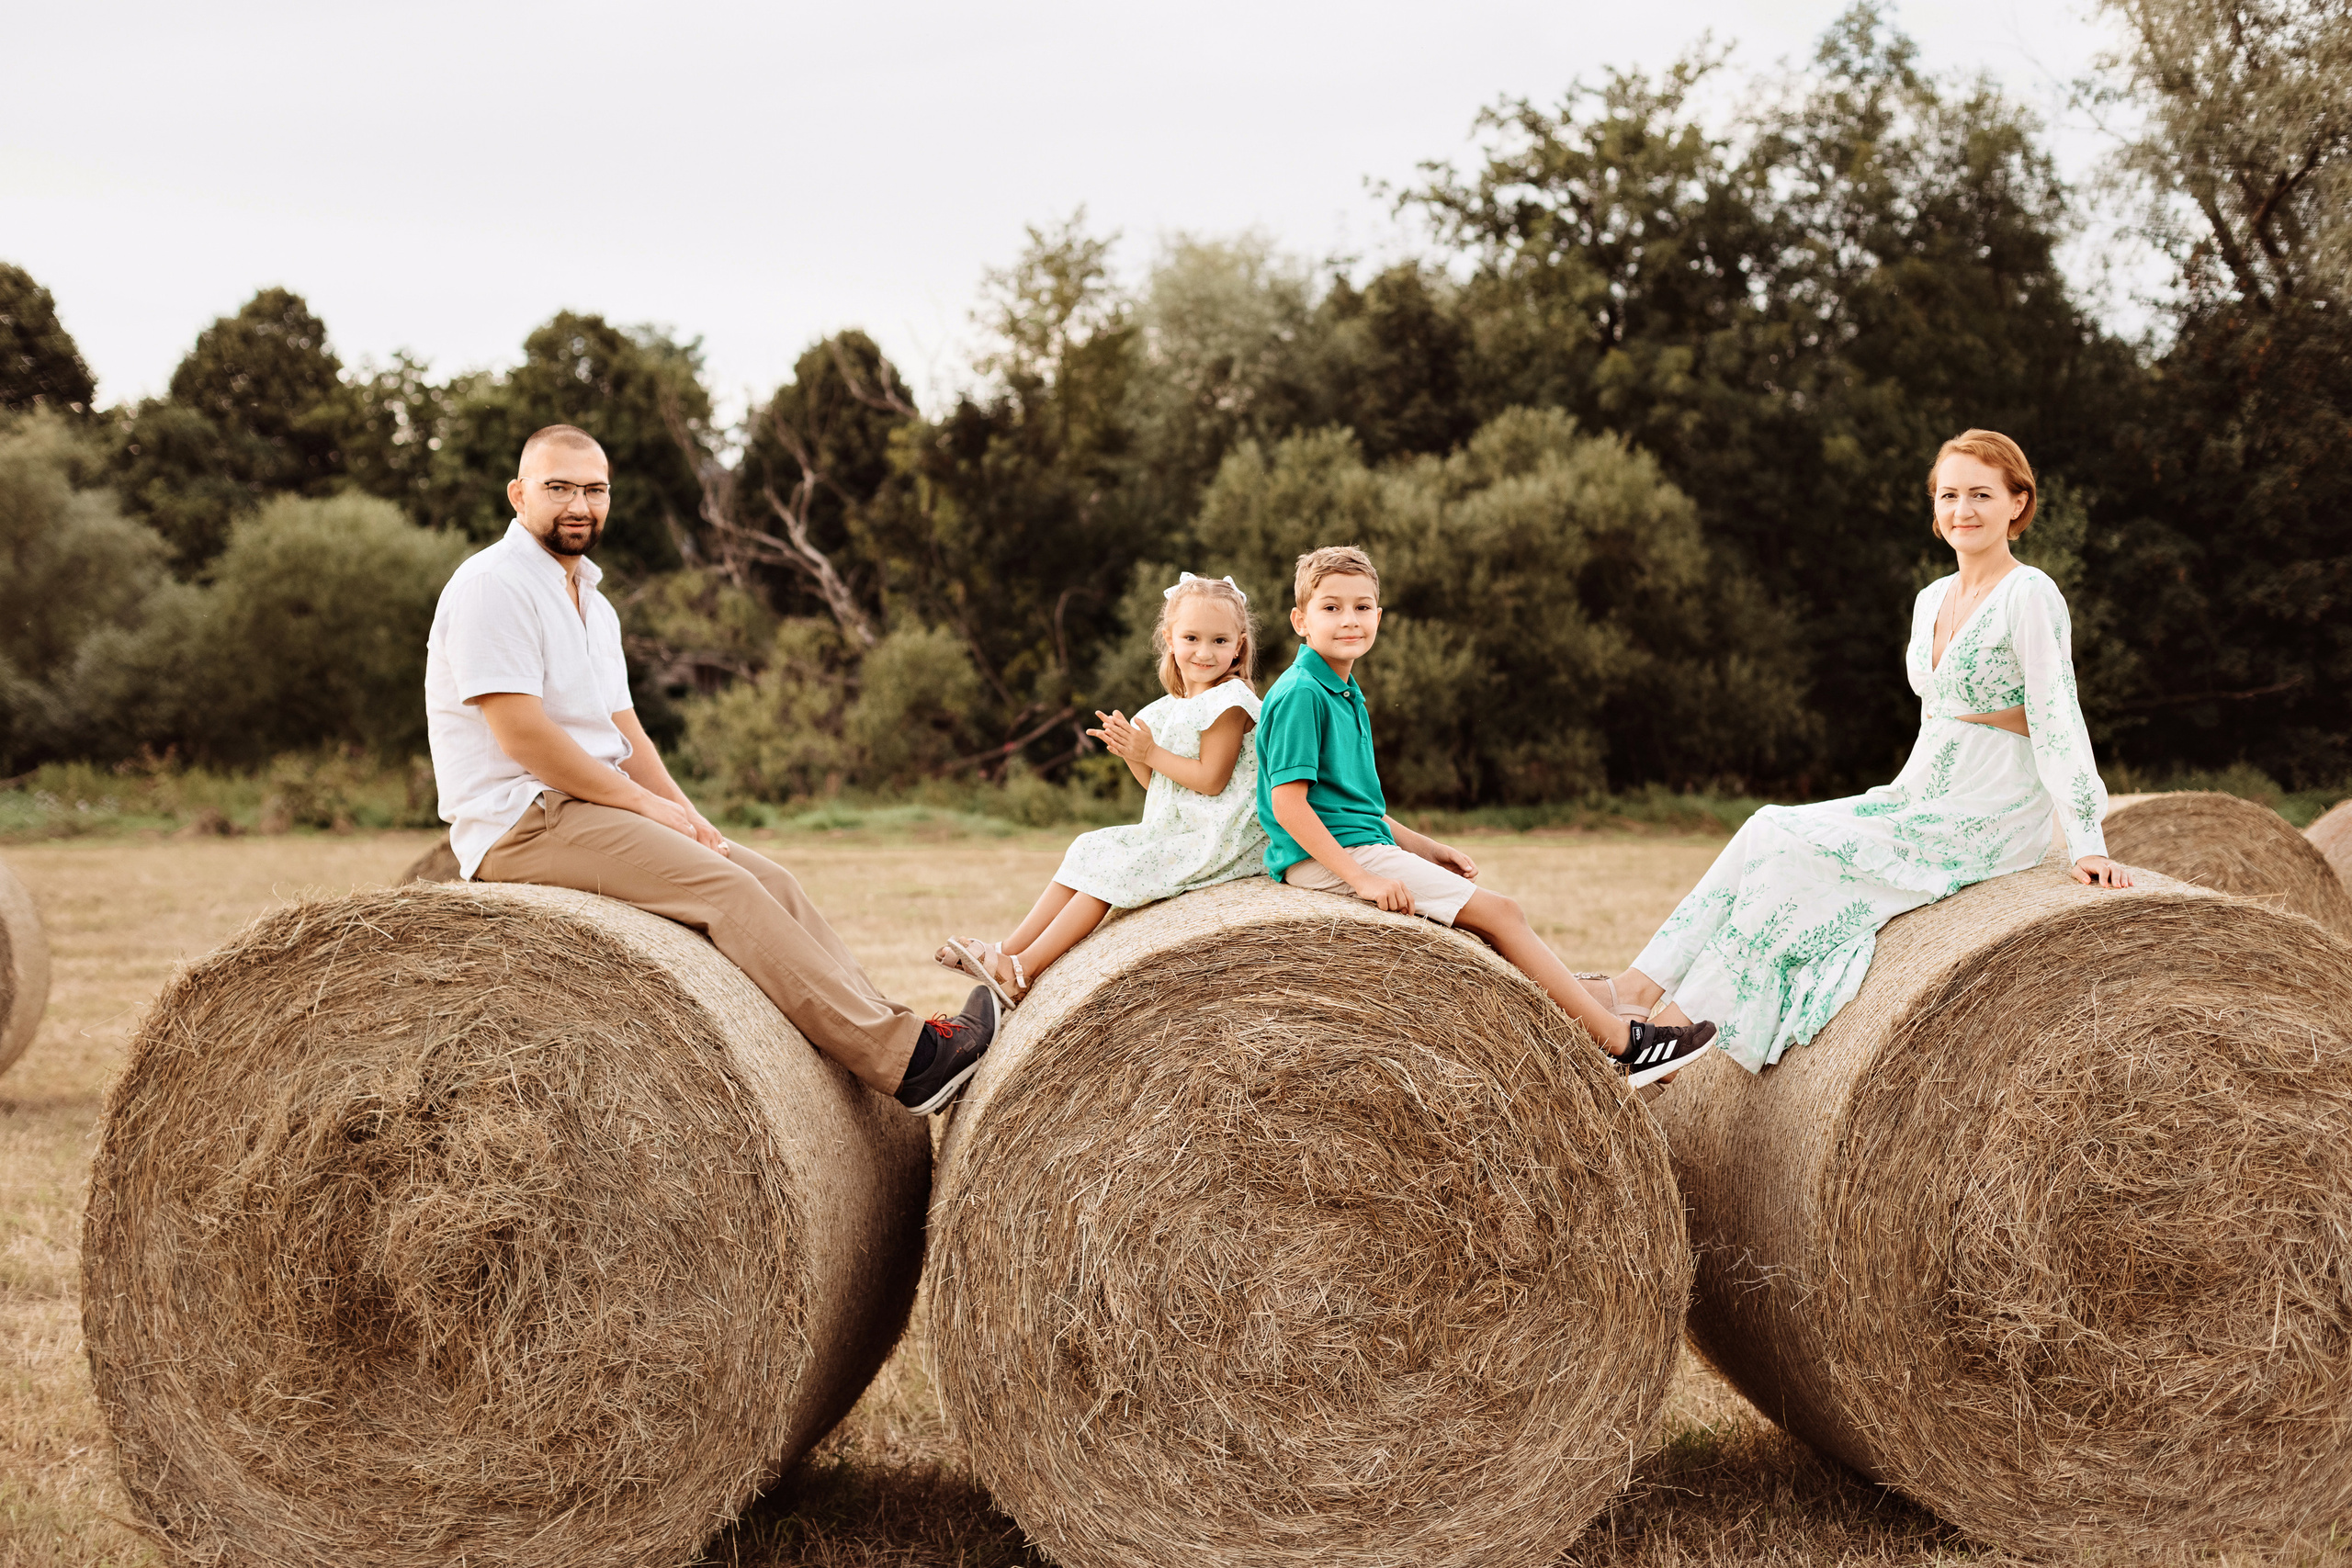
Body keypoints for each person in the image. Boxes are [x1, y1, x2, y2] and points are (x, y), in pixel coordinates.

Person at [424, 423, 996, 1113]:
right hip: (523, 817)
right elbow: (524, 736)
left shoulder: (593, 604)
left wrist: (687, 814)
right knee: (726, 892)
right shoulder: (494, 584)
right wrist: (641, 807)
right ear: (519, 495)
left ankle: (901, 1033)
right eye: (559, 488)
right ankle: (909, 1064)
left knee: (769, 879)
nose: (579, 504)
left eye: (594, 490)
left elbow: (624, 731)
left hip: (585, 807)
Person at [1606, 429, 2134, 1071]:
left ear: (2017, 504)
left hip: (1989, 812)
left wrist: (2087, 841)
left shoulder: (2030, 594)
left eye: (1980, 495)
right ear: (1935, 509)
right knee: (1767, 825)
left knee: (1798, 849)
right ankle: (1638, 988)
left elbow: (2056, 713)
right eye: (1949, 495)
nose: (1962, 509)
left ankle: (1677, 1030)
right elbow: (1941, 712)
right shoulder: (1931, 599)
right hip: (1920, 792)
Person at [1257, 546, 1718, 1089]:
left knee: (1489, 929)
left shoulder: (1342, 689)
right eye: (1331, 608)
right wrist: (1363, 879)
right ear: (1299, 620)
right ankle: (1627, 1045)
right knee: (1503, 914)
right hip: (1333, 859)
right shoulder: (1301, 693)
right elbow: (1289, 804)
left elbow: (1354, 806)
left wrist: (1423, 846)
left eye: (1362, 607)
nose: (1349, 620)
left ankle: (1596, 1022)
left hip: (1355, 845)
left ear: (1380, 616)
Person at [935, 572, 1267, 1005]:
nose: (1204, 652)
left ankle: (1023, 971)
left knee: (1117, 870)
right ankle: (1008, 950)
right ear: (1169, 638)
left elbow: (1210, 780)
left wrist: (1149, 752)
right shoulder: (1172, 707)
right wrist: (1132, 752)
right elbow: (1160, 786)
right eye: (1192, 638)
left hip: (1222, 839)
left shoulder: (1230, 701)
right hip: (1183, 830)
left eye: (1219, 642)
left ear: (1239, 645)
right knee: (1088, 848)